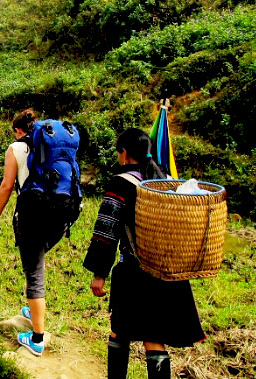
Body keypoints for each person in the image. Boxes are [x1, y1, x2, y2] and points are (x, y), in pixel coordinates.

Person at [83, 128, 205, 379]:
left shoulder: (121, 183)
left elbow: (107, 229)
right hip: (166, 270)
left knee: (120, 330)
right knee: (153, 337)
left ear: (124, 154)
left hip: (134, 273)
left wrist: (99, 273)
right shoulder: (164, 181)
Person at [0, 109, 49, 356]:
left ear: (18, 130)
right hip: (57, 214)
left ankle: (37, 338)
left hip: (31, 215)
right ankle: (32, 310)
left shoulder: (16, 148)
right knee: (38, 262)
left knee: (33, 273)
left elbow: (6, 185)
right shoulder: (49, 146)